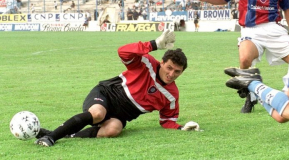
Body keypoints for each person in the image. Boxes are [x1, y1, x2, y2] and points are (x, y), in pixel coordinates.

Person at [35, 30, 201, 147]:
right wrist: (153, 44)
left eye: (177, 71)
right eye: (169, 67)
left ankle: (66, 133)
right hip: (106, 94)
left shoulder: (172, 95)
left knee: (113, 129)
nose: (171, 74)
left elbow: (167, 121)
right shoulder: (146, 63)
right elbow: (123, 52)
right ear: (162, 62)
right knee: (98, 115)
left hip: (121, 115)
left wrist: (182, 127)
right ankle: (51, 137)